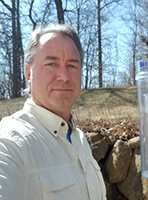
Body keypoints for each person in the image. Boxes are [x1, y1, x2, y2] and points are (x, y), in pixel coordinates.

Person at [0, 24, 106, 200]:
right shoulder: (11, 143)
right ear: (28, 73)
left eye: (72, 65)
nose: (64, 76)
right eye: (51, 64)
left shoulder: (78, 139)